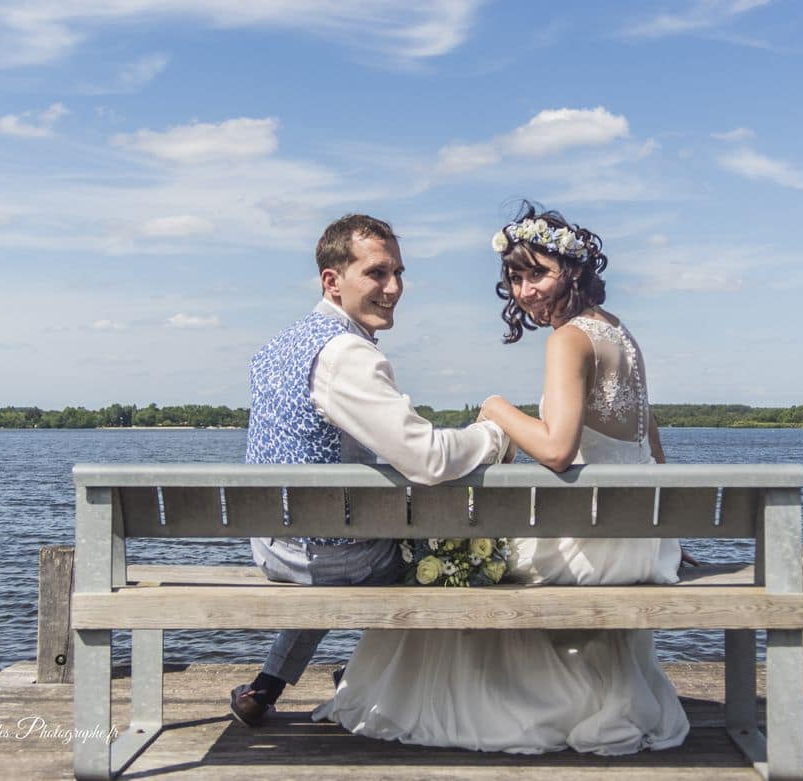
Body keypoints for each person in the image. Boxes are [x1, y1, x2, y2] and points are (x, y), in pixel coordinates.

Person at [312, 203, 690, 754]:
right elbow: (648, 436)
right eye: (515, 277)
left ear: (573, 272)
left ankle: (475, 704)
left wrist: (497, 410)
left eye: (538, 273)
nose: (525, 291)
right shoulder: (619, 333)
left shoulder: (569, 339)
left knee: (452, 562)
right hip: (641, 541)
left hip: (597, 545)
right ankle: (565, 690)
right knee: (476, 550)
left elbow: (557, 450)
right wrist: (665, 524)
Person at [230, 214, 510, 727]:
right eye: (377, 273)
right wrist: (493, 435)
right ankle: (373, 680)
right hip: (326, 552)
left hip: (272, 541)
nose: (394, 287)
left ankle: (266, 686)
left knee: (351, 536)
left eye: (398, 273)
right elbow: (429, 458)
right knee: (446, 552)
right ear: (332, 281)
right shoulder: (345, 355)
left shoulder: (277, 346)